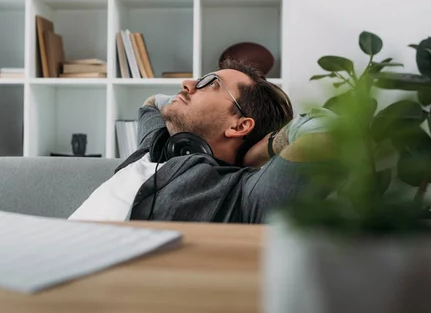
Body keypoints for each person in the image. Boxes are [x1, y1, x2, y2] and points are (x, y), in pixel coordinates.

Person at [68, 59, 331, 224]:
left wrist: (256, 154)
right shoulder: (155, 146)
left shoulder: (244, 194)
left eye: (211, 83)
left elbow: (326, 132)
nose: (187, 84)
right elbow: (152, 103)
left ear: (239, 125)